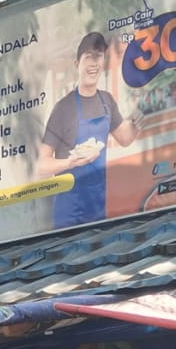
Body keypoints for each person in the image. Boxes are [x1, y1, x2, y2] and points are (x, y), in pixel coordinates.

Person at [37, 32, 140, 229]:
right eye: (88, 57)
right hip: (69, 212)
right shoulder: (64, 108)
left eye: (98, 56)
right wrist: (70, 162)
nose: (93, 63)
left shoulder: (107, 101)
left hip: (98, 207)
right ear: (77, 63)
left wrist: (139, 120)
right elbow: (42, 166)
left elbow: (124, 138)